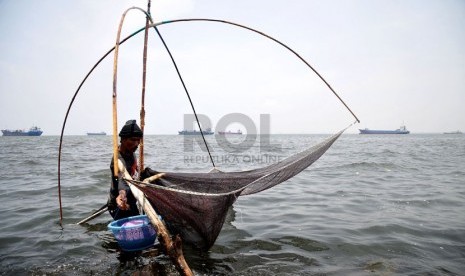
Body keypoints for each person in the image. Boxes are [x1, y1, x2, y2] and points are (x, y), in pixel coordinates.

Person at [108, 119, 143, 220]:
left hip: (131, 202)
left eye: (138, 140)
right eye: (132, 140)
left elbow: (135, 173)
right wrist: (122, 196)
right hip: (119, 205)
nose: (136, 144)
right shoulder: (118, 160)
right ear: (122, 139)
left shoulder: (131, 152)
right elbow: (122, 180)